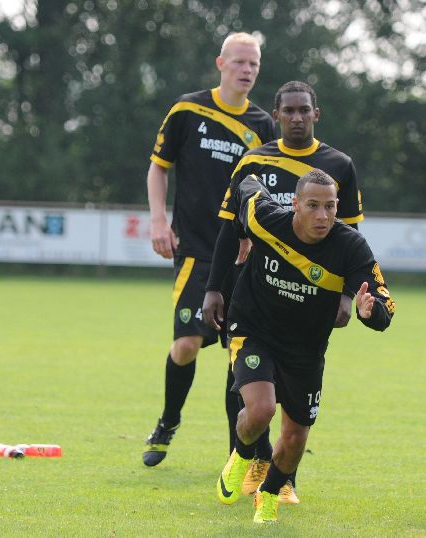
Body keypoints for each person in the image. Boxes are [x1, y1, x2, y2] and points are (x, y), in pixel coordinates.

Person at [204, 80, 364, 503]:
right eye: (288, 110)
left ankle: (282, 478)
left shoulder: (338, 165)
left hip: (309, 301)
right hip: (255, 291)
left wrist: (347, 296)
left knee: (294, 395)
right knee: (249, 387)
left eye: (303, 110)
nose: (296, 117)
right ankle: (250, 460)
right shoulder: (254, 160)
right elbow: (228, 227)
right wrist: (214, 287)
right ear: (275, 115)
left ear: (316, 113)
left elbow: (350, 239)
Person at [205, 171, 395, 524]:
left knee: (295, 438)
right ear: (294, 204)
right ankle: (242, 454)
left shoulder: (350, 246)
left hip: (305, 349)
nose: (322, 216)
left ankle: (270, 493)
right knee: (260, 410)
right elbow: (244, 181)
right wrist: (239, 234)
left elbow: (383, 300)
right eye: (313, 206)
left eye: (330, 207)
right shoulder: (264, 218)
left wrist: (372, 313)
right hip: (252, 328)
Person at [142, 32, 275, 467]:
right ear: (220, 63)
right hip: (197, 250)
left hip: (243, 256)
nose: (246, 70)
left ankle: (236, 454)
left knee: (237, 358)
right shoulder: (187, 109)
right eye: (239, 62)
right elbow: (158, 168)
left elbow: (271, 189)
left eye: (253, 63)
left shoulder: (262, 125)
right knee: (186, 344)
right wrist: (159, 220)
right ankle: (168, 422)